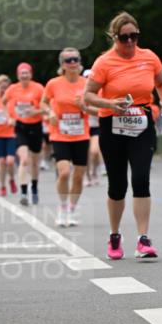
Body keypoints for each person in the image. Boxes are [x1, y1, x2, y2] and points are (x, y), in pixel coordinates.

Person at [83, 11, 162, 260]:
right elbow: (87, 96)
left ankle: (143, 239)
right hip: (113, 126)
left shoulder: (149, 57)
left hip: (142, 124)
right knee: (117, 185)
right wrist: (110, 104)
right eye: (124, 38)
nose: (130, 42)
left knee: (141, 179)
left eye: (134, 36)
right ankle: (114, 234)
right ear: (115, 37)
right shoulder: (104, 62)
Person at [42, 49, 95, 226]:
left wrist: (85, 108)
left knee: (78, 177)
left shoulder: (87, 83)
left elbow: (100, 108)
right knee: (64, 173)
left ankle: (72, 209)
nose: (72, 63)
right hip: (60, 134)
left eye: (75, 59)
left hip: (81, 133)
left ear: (80, 62)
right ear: (62, 64)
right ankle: (62, 207)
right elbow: (43, 102)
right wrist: (50, 112)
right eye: (68, 60)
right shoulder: (53, 83)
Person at [3, 63, 45, 206]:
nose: (24, 75)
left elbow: (48, 106)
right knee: (24, 160)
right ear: (18, 75)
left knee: (34, 162)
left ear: (31, 74)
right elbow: (3, 102)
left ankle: (34, 188)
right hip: (21, 127)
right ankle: (23, 191)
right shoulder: (12, 89)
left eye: (27, 73)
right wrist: (8, 116)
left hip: (36, 127)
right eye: (22, 73)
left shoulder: (39, 88)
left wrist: (36, 111)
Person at [83, 69, 103, 186]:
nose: (88, 80)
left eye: (90, 78)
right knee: (84, 154)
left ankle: (94, 172)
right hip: (82, 128)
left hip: (96, 127)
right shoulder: (79, 93)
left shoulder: (100, 93)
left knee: (95, 151)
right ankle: (87, 176)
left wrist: (87, 109)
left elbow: (103, 111)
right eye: (86, 78)